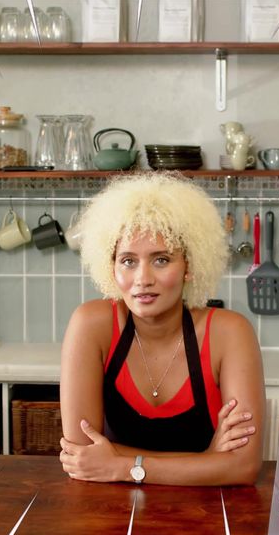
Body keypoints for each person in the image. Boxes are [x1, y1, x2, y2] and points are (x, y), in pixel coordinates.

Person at [58, 173, 265, 486]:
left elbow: (244, 466)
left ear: (190, 266)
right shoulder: (92, 325)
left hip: (206, 518)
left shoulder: (229, 333)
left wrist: (122, 466)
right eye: (128, 261)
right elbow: (81, 454)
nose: (143, 278)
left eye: (161, 260)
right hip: (108, 519)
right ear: (111, 267)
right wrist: (208, 461)